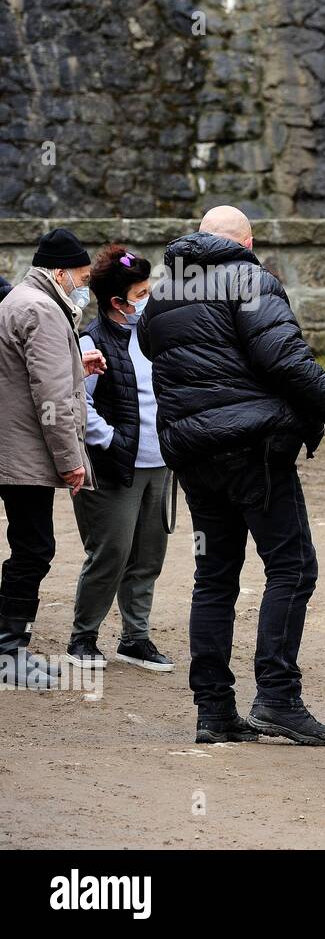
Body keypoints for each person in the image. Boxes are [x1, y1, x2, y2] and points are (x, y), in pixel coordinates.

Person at [138, 206, 325, 745]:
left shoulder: (162, 291)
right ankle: (277, 698)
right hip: (252, 451)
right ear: (246, 243)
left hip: (193, 454)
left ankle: (214, 711)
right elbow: (286, 359)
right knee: (292, 569)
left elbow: (156, 349)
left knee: (215, 579)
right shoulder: (249, 277)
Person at [0, 229, 107, 688]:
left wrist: (73, 366)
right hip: (23, 453)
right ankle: (8, 652)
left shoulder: (20, 300)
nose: (84, 286)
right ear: (60, 272)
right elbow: (50, 395)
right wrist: (70, 459)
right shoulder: (43, 308)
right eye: (82, 277)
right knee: (34, 548)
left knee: (28, 545)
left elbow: (25, 374)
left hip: (14, 445)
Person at [66, 245, 174, 673]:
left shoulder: (154, 335)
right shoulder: (92, 341)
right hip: (116, 467)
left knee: (149, 555)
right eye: (142, 292)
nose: (149, 298)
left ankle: (136, 638)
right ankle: (83, 636)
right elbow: (79, 404)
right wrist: (112, 442)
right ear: (118, 302)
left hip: (160, 464)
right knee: (110, 553)